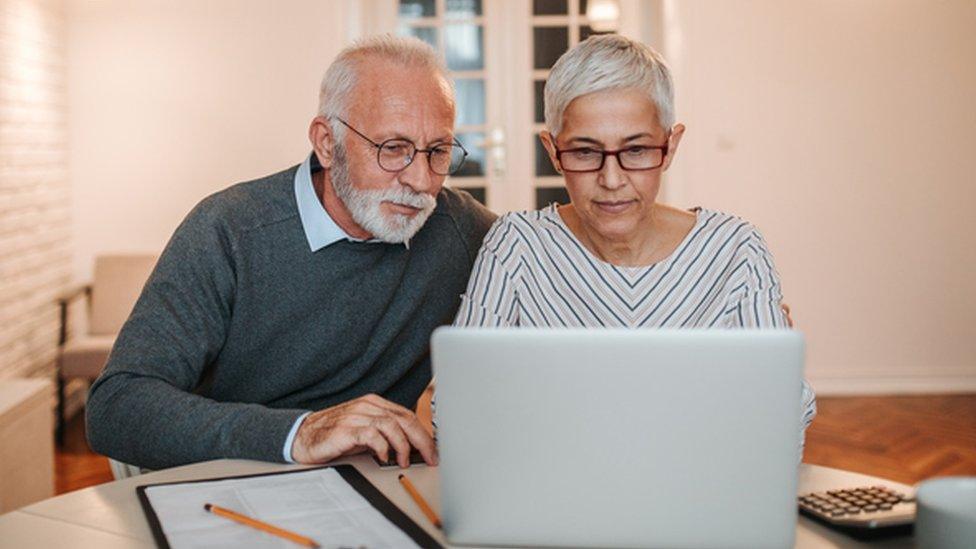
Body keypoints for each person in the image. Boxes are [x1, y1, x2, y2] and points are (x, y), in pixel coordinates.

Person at [86, 35, 495, 471]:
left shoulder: (460, 229)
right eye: (392, 149)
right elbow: (116, 406)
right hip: (227, 475)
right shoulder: (229, 230)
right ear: (326, 142)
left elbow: (551, 246)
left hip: (371, 487)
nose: (419, 179)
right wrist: (299, 432)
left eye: (438, 152)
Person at [451, 34, 816, 451]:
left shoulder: (736, 250)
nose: (611, 180)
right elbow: (460, 411)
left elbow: (782, 422)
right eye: (585, 153)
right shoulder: (515, 246)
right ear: (553, 151)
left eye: (637, 150)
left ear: (671, 145)